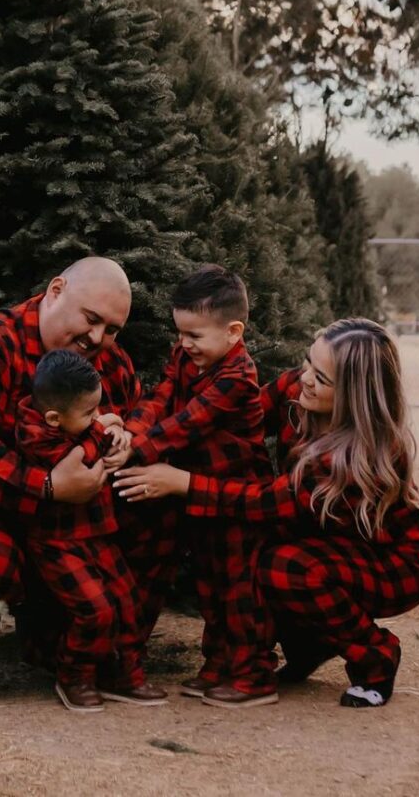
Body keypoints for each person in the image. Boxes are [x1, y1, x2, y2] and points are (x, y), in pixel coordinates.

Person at [114, 318, 419, 708]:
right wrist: (140, 436)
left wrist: (181, 482)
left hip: (396, 562)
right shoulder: (296, 392)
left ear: (356, 395)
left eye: (323, 378)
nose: (306, 379)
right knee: (250, 550)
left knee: (284, 567)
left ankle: (375, 657)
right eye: (307, 363)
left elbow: (263, 502)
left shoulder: (355, 458)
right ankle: (305, 645)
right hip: (327, 539)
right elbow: (237, 420)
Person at [0, 257, 166, 704]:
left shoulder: (105, 362)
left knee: (159, 513)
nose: (98, 338)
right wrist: (48, 485)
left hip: (60, 524)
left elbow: (141, 408)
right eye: (91, 319)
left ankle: (87, 651)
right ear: (56, 290)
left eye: (112, 329)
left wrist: (127, 437)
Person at [122, 265, 278, 707]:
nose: (184, 344)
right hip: (197, 492)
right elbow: (163, 397)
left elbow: (188, 424)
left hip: (234, 496)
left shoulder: (236, 376)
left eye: (194, 335)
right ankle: (218, 663)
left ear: (233, 332)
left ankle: (254, 673)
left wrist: (140, 450)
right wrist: (132, 431)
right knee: (210, 585)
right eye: (180, 333)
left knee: (238, 587)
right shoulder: (186, 356)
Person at [14, 349, 150, 711]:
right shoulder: (34, 432)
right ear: (55, 418)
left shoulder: (78, 424)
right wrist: (105, 428)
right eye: (89, 412)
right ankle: (74, 675)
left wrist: (115, 428)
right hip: (58, 542)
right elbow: (78, 457)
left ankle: (125, 674)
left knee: (128, 599)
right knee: (95, 610)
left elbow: (96, 436)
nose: (95, 418)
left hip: (97, 532)